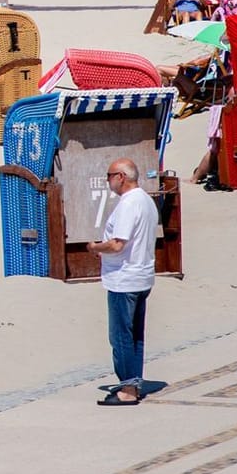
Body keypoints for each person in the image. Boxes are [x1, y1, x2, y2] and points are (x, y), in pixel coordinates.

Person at [92, 158, 157, 405]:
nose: (108, 180)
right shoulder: (145, 201)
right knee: (135, 335)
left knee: (121, 335)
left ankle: (128, 389)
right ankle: (133, 383)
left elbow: (118, 243)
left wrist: (95, 247)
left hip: (125, 278)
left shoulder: (130, 203)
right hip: (140, 275)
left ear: (121, 176)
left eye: (109, 175)